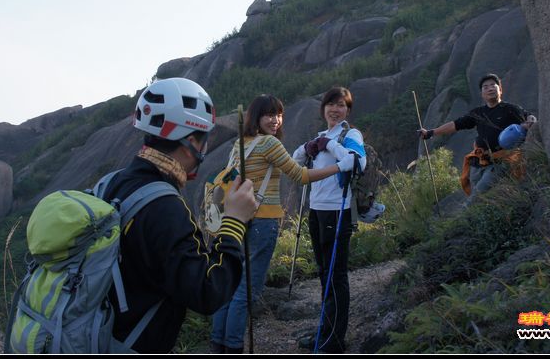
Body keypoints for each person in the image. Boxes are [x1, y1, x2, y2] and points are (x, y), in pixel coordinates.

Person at [100, 77, 257, 353]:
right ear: (191, 142)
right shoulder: (164, 207)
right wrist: (234, 222)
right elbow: (208, 291)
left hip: (103, 334)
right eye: (204, 140)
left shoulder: (113, 183)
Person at [209, 94, 356, 354]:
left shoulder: (239, 144)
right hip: (263, 220)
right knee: (247, 290)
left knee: (230, 284)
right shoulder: (269, 144)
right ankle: (233, 347)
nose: (275, 120)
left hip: (235, 220)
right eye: (268, 114)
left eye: (278, 114)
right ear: (256, 117)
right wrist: (339, 167)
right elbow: (299, 176)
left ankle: (218, 345)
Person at [292, 87, 367, 353]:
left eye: (341, 105)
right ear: (323, 108)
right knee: (324, 273)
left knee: (336, 275)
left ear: (347, 110)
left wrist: (331, 145)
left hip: (338, 210)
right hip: (317, 209)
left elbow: (357, 162)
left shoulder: (350, 135)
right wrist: (309, 146)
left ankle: (335, 340)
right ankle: (325, 331)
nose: (335, 110)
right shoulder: (320, 136)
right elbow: (295, 160)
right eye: (330, 104)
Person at [418, 73, 537, 203]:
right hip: (479, 162)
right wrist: (431, 133)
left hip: (500, 162)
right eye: (485, 87)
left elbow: (529, 117)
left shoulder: (509, 109)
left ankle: (464, 220)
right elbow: (456, 124)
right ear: (482, 93)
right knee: (479, 194)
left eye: (493, 85)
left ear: (500, 90)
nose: (490, 88)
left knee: (476, 197)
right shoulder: (478, 113)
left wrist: (530, 121)